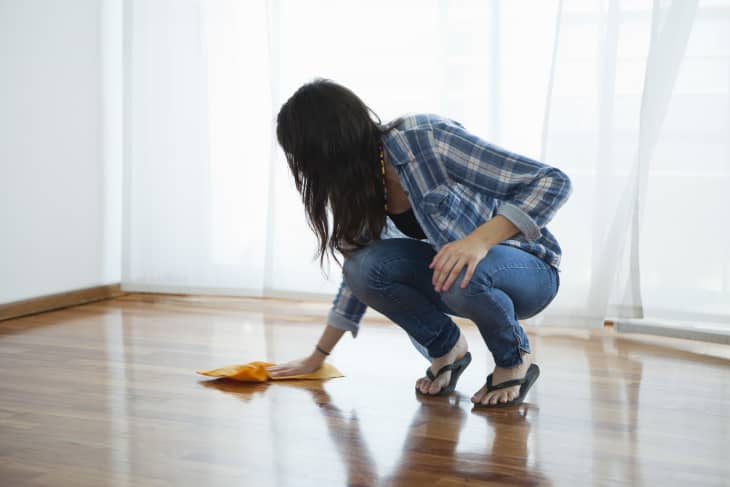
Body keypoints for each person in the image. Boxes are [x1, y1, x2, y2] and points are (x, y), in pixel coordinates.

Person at [267, 78, 572, 408]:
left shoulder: (423, 138)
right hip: (457, 279)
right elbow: (359, 280)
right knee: (364, 265)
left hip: (528, 268)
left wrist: (478, 241)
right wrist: (317, 357)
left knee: (461, 266)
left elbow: (552, 182)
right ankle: (447, 350)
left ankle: (513, 360)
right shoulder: (355, 190)